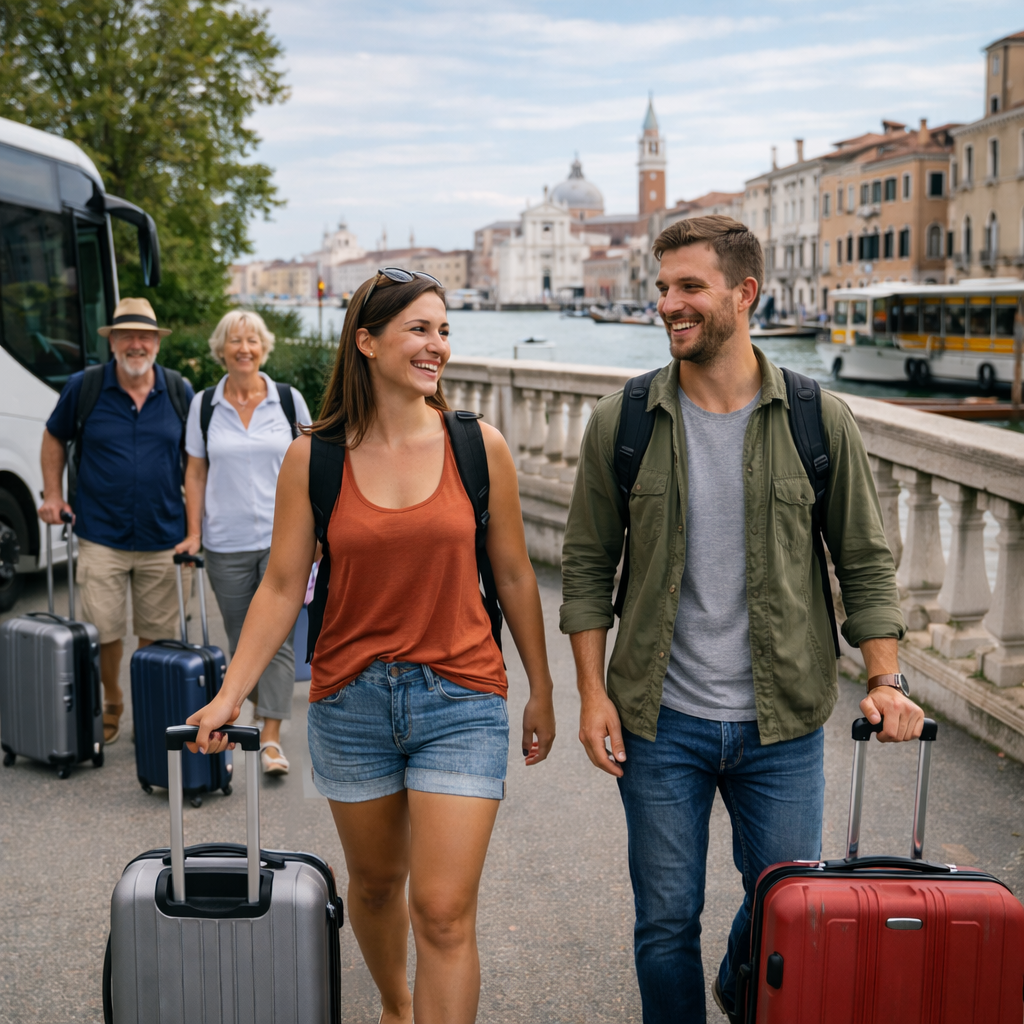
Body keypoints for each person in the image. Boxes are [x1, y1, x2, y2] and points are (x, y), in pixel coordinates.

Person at [559, 215, 923, 1024]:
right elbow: (586, 567)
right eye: (662, 288)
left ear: (743, 292)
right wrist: (591, 694)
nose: (667, 304)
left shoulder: (814, 419)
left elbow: (863, 563)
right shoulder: (621, 423)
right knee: (663, 924)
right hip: (659, 724)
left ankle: (740, 980)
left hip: (783, 722)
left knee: (791, 911)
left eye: (689, 286)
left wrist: (886, 679)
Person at [187, 269, 556, 1023]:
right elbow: (283, 586)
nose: (437, 346)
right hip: (350, 701)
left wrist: (542, 690)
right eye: (420, 329)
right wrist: (231, 694)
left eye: (444, 330)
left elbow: (516, 575)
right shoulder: (313, 456)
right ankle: (395, 1004)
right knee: (379, 885)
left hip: (462, 696)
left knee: (446, 910)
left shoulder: (477, 447)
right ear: (367, 341)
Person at [39, 297, 195, 744]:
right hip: (100, 533)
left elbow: (194, 462)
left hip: (165, 532)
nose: (136, 344)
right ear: (112, 343)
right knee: (104, 630)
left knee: (156, 632)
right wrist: (52, 494)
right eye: (126, 335)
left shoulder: (178, 389)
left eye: (144, 336)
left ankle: (147, 706)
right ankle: (112, 702)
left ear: (156, 343)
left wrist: (197, 528)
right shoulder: (84, 387)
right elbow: (54, 436)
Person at [177, 309, 311, 775]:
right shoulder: (205, 403)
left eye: (252, 340)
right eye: (235, 341)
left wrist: (318, 533)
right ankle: (251, 712)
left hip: (285, 540)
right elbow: (195, 471)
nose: (244, 348)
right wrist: (194, 532)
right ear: (222, 349)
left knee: (277, 639)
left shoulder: (289, 401)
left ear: (263, 348)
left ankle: (269, 737)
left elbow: (313, 467)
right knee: (244, 637)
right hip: (226, 540)